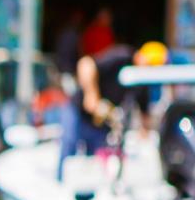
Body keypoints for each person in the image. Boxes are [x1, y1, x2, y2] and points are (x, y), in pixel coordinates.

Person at [57, 41, 166, 179]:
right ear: (141, 57)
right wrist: (92, 94)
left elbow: (144, 114)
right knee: (69, 148)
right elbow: (86, 63)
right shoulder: (122, 56)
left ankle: (86, 193)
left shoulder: (141, 81)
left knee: (94, 161)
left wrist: (148, 138)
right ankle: (60, 185)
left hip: (101, 120)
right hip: (78, 111)